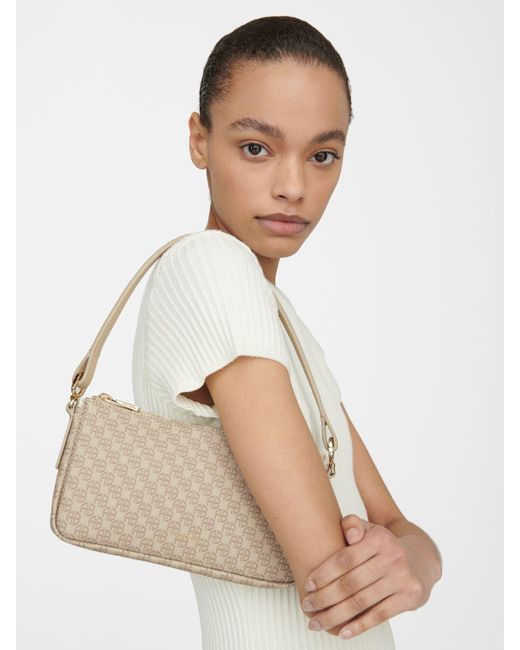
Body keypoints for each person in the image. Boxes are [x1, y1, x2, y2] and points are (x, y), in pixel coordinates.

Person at [132, 15, 442, 649]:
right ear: (199, 140)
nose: (294, 187)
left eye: (322, 155)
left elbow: (395, 525)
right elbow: (334, 581)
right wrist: (402, 560)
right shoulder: (210, 268)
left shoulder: (281, 320)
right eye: (256, 147)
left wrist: (418, 562)